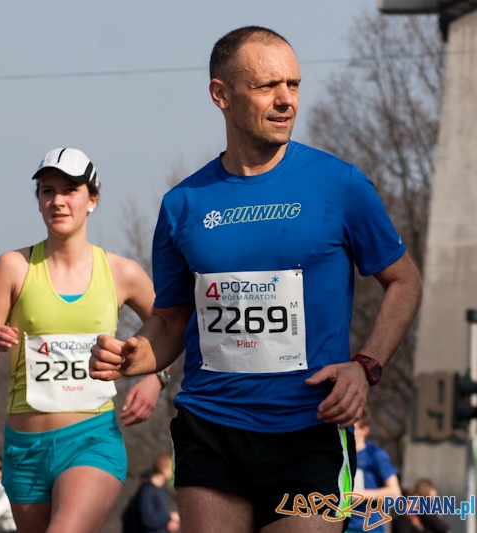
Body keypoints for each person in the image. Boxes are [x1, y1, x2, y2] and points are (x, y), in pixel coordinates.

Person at [89, 26, 423, 533]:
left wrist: (365, 366)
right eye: (267, 86)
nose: (286, 99)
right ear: (221, 94)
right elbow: (172, 321)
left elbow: (404, 281)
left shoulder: (340, 185)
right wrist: (134, 356)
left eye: (293, 84)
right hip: (211, 426)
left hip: (310, 427)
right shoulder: (183, 204)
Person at [0, 147, 162, 533]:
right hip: (25, 449)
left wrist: (156, 377)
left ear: (92, 199)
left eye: (70, 190)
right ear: (39, 200)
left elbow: (171, 327)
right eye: (47, 191)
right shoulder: (13, 267)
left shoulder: (122, 272)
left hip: (91, 440)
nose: (57, 200)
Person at [346, 409, 401, 532]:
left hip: (369, 527)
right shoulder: (341, 455)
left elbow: (395, 492)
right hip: (342, 525)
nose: (347, 431)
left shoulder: (376, 455)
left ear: (364, 430)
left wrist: (359, 494)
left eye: (352, 428)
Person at [122, 455, 180, 533]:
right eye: (171, 469)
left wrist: (169, 522)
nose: (172, 472)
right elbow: (148, 520)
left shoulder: (162, 490)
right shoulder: (147, 491)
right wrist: (169, 517)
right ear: (163, 470)